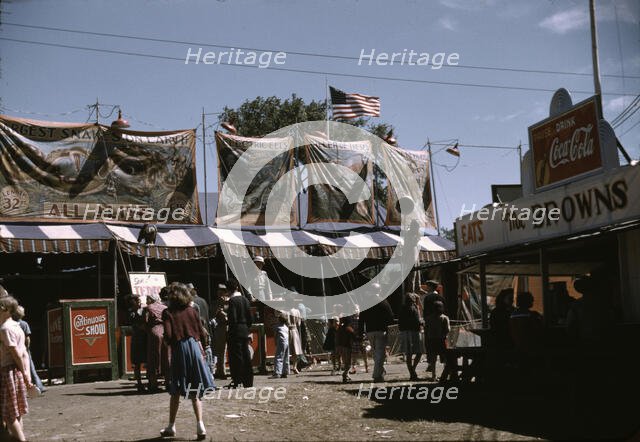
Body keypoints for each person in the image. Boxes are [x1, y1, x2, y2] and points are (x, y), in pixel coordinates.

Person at [161, 282, 213, 440]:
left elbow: (168, 335)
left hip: (180, 350)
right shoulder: (192, 310)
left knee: (176, 389)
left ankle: (171, 426)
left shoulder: (168, 312)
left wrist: (167, 344)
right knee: (195, 389)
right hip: (195, 348)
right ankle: (200, 425)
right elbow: (201, 331)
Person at [0, 296, 32, 441]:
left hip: (9, 371)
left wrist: (24, 373)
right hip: (18, 371)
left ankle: (21, 440)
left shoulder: (5, 328)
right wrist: (26, 373)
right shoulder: (16, 326)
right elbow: (24, 352)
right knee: (17, 410)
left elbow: (16, 354)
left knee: (8, 414)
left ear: (5, 310)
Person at [360, 283, 395, 383]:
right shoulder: (383, 301)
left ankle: (380, 372)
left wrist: (361, 332)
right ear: (379, 291)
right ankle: (376, 375)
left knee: (375, 353)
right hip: (381, 330)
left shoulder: (365, 302)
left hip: (370, 331)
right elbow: (390, 316)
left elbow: (361, 319)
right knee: (380, 353)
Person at [225, 279, 254, 388]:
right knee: (246, 355)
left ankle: (237, 379)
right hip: (245, 329)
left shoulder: (232, 301)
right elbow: (250, 318)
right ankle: (248, 380)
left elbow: (233, 318)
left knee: (236, 356)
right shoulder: (245, 300)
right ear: (237, 287)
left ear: (228, 290)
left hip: (235, 330)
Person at [509, 291, 543, 370]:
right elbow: (536, 329)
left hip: (517, 346)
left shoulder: (513, 314)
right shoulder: (531, 315)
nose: (533, 302)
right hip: (529, 348)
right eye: (531, 300)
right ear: (527, 302)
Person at [144, 292, 167, 392]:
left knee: (153, 357)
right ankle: (168, 382)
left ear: (151, 299)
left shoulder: (148, 308)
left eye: (147, 299)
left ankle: (153, 384)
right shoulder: (165, 307)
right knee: (166, 357)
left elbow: (145, 321)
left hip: (154, 333)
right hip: (165, 332)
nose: (146, 301)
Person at [399, 293, 423, 381]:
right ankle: (412, 372)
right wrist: (421, 323)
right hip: (412, 331)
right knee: (416, 352)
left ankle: (412, 371)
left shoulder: (407, 307)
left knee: (412, 353)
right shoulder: (410, 308)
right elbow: (417, 319)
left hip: (408, 331)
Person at [424, 301, 450, 381]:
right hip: (442, 339)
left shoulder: (428, 318)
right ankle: (445, 375)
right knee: (445, 358)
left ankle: (433, 375)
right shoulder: (444, 318)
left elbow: (426, 329)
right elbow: (448, 329)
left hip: (431, 339)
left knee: (433, 358)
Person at [128, 295, 147, 392]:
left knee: (146, 360)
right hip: (137, 338)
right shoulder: (132, 312)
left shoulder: (143, 309)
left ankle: (150, 381)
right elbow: (134, 324)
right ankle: (139, 382)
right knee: (137, 362)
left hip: (144, 338)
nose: (139, 302)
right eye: (137, 301)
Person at [490, 288, 515, 363]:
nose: (512, 300)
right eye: (510, 298)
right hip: (502, 341)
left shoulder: (512, 310)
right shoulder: (498, 312)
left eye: (512, 298)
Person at [211, 284, 228, 380]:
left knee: (223, 350)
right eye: (219, 290)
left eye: (222, 290)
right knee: (219, 350)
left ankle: (222, 371)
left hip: (226, 326)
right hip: (219, 327)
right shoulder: (215, 302)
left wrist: (224, 313)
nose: (220, 292)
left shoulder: (229, 301)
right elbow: (212, 314)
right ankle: (219, 370)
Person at [336, 315, 355, 383]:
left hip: (340, 347)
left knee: (345, 362)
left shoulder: (339, 328)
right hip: (347, 347)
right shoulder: (349, 329)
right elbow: (354, 337)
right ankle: (345, 374)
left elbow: (337, 338)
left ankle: (347, 375)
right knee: (348, 363)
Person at [272, 309, 290, 379]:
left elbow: (274, 332)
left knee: (279, 357)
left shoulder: (277, 326)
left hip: (281, 342)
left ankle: (277, 372)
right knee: (286, 357)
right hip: (286, 342)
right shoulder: (286, 327)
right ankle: (285, 372)